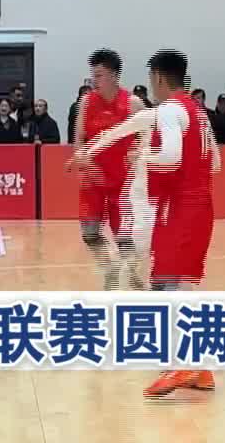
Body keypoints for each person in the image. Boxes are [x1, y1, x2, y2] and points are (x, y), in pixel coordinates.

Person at [87, 49, 219, 398]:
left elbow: (171, 158)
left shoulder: (171, 111)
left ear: (158, 78)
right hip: (202, 206)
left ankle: (180, 364)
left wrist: (142, 157)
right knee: (181, 284)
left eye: (151, 79)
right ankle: (200, 366)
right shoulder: (199, 112)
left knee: (167, 284)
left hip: (180, 208)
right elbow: (215, 163)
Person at [66, 49, 139, 290]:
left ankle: (133, 274)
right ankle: (110, 268)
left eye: (99, 75)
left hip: (123, 180)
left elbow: (149, 137)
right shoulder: (86, 102)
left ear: (114, 76)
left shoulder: (133, 103)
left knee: (124, 238)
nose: (94, 80)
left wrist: (138, 152)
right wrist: (83, 159)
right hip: (93, 176)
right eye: (93, 75)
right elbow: (78, 139)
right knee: (89, 233)